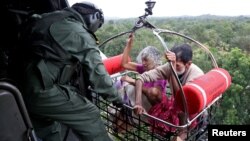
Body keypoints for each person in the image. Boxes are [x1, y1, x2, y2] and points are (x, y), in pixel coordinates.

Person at [10, 1, 123, 141]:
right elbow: (99, 75)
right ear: (94, 18)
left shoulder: (45, 18)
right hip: (41, 90)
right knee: (89, 114)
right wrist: (118, 99)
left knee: (48, 127)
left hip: (17, 84)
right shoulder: (78, 32)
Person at [134, 44, 204, 140]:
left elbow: (181, 99)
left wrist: (173, 70)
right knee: (163, 114)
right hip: (178, 105)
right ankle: (170, 131)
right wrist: (138, 103)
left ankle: (182, 133)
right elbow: (140, 78)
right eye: (171, 64)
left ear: (188, 64)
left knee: (184, 119)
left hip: (193, 110)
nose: (173, 67)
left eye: (177, 66)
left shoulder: (196, 75)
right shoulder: (170, 66)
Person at [112, 33, 168, 133]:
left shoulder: (161, 75)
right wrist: (129, 44)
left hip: (145, 108)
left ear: (155, 60)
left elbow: (154, 94)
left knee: (120, 128)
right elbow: (124, 64)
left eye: (146, 60)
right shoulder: (145, 68)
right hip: (132, 102)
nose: (143, 63)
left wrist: (133, 81)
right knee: (115, 123)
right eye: (142, 60)